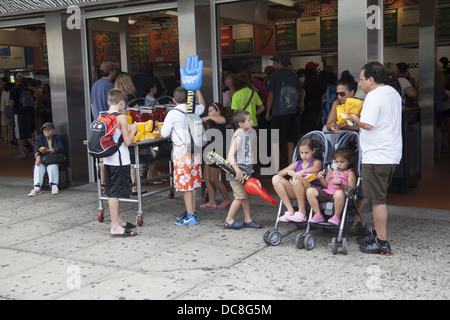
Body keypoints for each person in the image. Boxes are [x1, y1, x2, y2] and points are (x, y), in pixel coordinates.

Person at [348, 61, 402, 255]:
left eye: (361, 80)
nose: (360, 84)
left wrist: (354, 119)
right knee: (377, 197)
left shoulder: (373, 96)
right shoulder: (393, 93)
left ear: (371, 80)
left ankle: (382, 242)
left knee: (378, 200)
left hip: (378, 155)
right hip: (391, 153)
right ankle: (378, 235)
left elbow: (368, 124)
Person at [160, 87, 205, 226]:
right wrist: (197, 90)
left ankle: (190, 216)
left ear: (173, 100)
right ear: (188, 99)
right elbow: (203, 106)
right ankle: (192, 211)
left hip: (181, 151)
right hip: (195, 150)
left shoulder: (172, 113)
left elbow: (163, 133)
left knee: (186, 185)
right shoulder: (194, 109)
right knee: (193, 182)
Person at [102, 88, 138, 237]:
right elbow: (127, 142)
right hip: (119, 159)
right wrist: (133, 130)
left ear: (108, 102)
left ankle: (118, 220)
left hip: (108, 159)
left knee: (111, 191)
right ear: (122, 102)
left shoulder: (103, 117)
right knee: (115, 193)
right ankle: (115, 226)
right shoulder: (121, 118)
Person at [224, 110, 261, 229]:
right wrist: (238, 171)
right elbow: (230, 156)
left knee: (246, 196)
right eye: (249, 120)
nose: (252, 122)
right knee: (240, 197)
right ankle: (229, 220)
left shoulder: (244, 134)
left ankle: (248, 219)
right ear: (240, 123)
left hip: (245, 172)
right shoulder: (239, 136)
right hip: (238, 174)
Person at [271, 137, 322, 223]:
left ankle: (302, 211)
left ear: (313, 151)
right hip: (297, 189)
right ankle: (290, 210)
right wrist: (289, 171)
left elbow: (316, 168)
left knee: (297, 178)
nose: (304, 155)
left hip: (311, 191)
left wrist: (302, 172)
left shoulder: (316, 162)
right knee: (275, 178)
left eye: (307, 153)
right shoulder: (297, 163)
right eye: (301, 153)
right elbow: (279, 173)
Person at [266, 52, 302, 168]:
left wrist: (267, 112)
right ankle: (291, 169)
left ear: (279, 62)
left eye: (275, 61)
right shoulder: (294, 76)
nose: (274, 63)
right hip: (291, 113)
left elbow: (271, 95)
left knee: (275, 142)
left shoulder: (274, 76)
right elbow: (297, 95)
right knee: (290, 141)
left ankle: (276, 170)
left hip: (278, 113)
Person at [306, 147, 356, 225]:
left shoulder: (349, 173)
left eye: (342, 162)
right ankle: (318, 215)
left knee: (339, 192)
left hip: (341, 196)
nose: (339, 164)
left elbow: (352, 188)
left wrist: (341, 185)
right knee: (310, 191)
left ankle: (336, 217)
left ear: (348, 162)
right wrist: (321, 179)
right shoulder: (331, 170)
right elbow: (326, 185)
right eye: (337, 162)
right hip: (327, 192)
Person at [200, 102, 232, 210]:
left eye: (211, 111)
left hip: (217, 152)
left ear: (218, 112)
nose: (209, 113)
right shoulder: (212, 122)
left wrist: (209, 117)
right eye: (208, 111)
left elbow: (223, 120)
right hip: (209, 150)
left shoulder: (221, 120)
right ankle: (212, 201)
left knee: (214, 179)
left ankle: (227, 199)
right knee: (206, 177)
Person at [28, 122, 65, 197]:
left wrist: (49, 150)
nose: (46, 131)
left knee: (52, 166)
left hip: (54, 159)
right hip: (44, 159)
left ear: (53, 131)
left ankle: (54, 186)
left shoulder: (58, 137)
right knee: (38, 166)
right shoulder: (39, 138)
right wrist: (38, 158)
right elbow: (36, 150)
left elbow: (61, 148)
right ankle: (37, 188)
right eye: (44, 130)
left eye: (48, 130)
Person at [9, 72, 35, 159]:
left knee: (19, 134)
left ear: (15, 79)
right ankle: (36, 147)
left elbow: (11, 104)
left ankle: (21, 152)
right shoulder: (26, 88)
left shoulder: (14, 90)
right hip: (28, 114)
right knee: (27, 133)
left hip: (18, 114)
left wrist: (9, 114)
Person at [0, 77, 14, 145]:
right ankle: (12, 139)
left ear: (5, 82)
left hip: (5, 108)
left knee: (4, 124)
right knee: (11, 125)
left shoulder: (4, 91)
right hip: (12, 107)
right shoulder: (12, 90)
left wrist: (3, 109)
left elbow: (4, 101)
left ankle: (5, 138)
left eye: (1, 82)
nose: (1, 83)